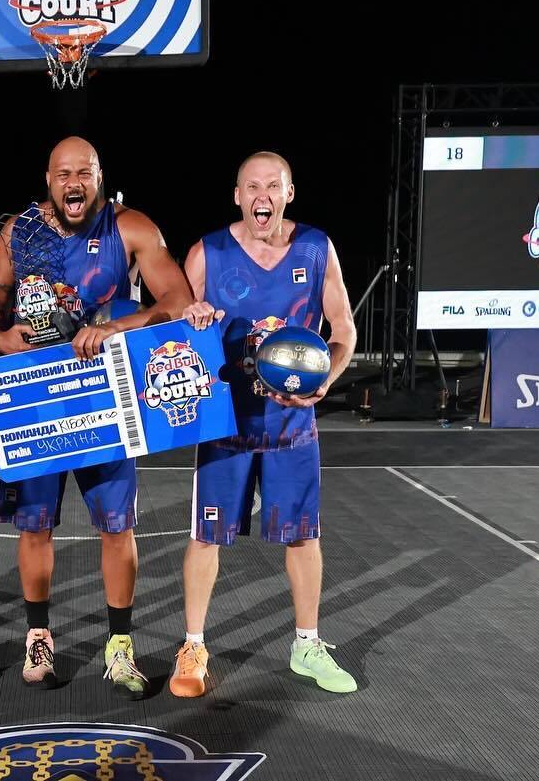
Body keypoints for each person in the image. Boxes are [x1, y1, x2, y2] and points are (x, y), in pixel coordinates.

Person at [0, 136, 193, 698]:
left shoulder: (131, 227)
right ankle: (38, 637)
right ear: (48, 179)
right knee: (35, 526)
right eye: (63, 173)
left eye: (85, 172)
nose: (74, 183)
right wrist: (0, 338)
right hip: (35, 400)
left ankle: (119, 645)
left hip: (105, 403)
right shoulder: (18, 233)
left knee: (117, 527)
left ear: (99, 176)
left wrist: (117, 327)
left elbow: (177, 298)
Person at [169, 151, 358, 698]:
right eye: (252, 187)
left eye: (272, 187)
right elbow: (170, 323)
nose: (262, 197)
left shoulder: (316, 248)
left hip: (291, 423)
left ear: (288, 193)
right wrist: (189, 315)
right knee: (206, 535)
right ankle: (194, 645)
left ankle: (307, 643)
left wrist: (330, 378)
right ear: (237, 195)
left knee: (303, 536)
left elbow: (343, 328)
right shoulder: (208, 252)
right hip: (225, 423)